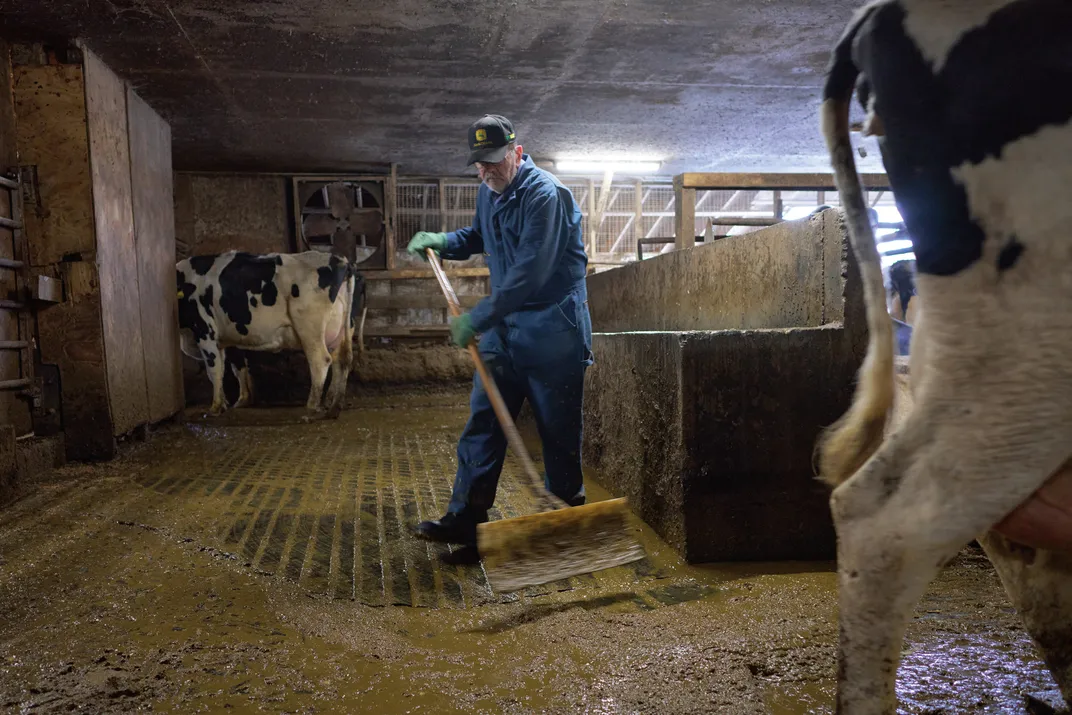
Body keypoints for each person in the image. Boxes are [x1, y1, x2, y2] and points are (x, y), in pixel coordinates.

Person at [406, 114, 593, 547]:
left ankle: (562, 533)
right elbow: (480, 235)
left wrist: (477, 317)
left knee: (557, 432)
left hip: (552, 330)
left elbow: (529, 273)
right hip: (504, 330)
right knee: (483, 423)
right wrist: (444, 241)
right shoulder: (488, 191)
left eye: (494, 160)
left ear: (517, 152)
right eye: (479, 163)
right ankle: (466, 521)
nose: (486, 169)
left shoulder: (547, 196)